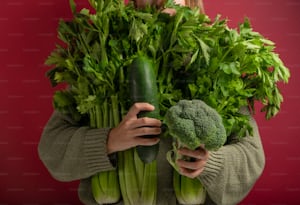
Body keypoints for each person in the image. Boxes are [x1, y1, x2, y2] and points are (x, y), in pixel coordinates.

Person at [38, 0, 266, 204]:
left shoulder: (217, 61)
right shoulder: (101, 53)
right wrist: (109, 141)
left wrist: (209, 163)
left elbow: (252, 156)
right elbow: (51, 147)